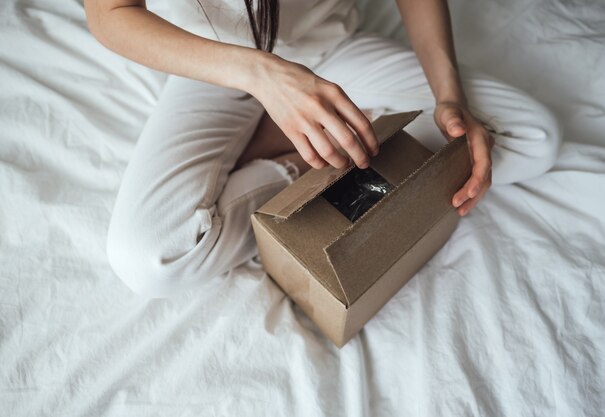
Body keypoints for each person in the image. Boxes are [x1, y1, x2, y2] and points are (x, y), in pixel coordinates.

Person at [85, 0, 561, 297]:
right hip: (214, 62)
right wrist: (262, 75)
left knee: (531, 138)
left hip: (330, 50)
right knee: (153, 258)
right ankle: (291, 145)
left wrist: (449, 97)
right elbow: (109, 13)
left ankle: (318, 135)